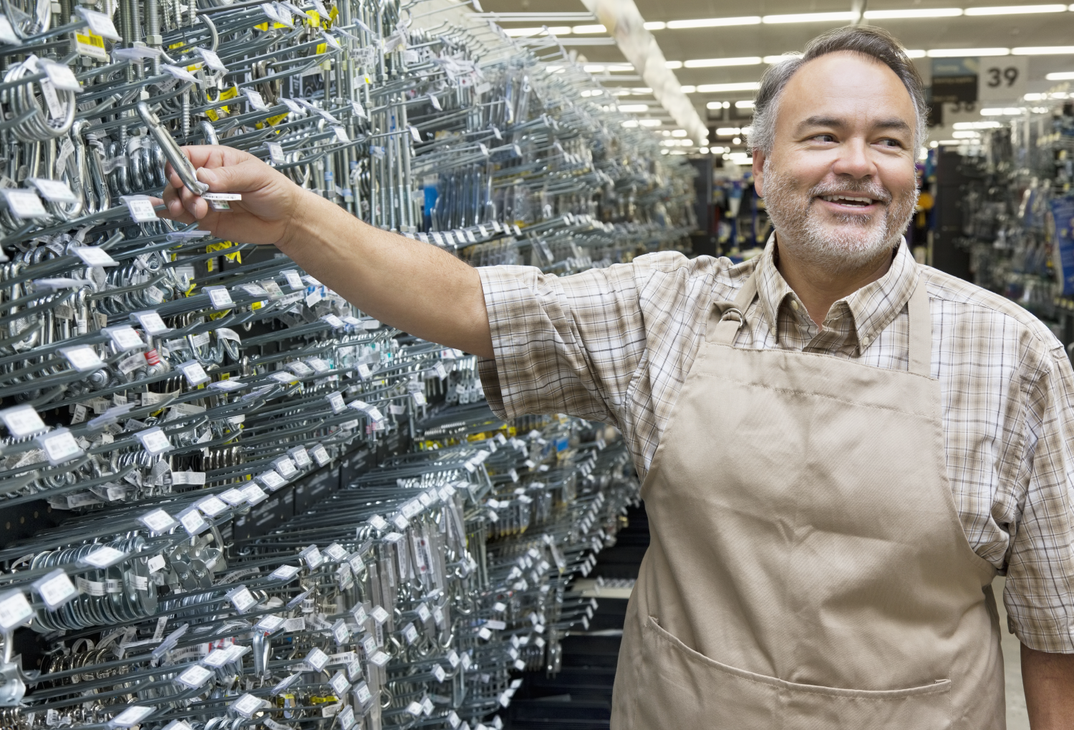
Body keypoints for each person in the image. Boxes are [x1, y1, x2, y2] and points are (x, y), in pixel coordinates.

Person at [160, 25, 1074, 730]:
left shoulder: (1014, 356)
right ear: (759, 170)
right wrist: (293, 222)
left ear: (917, 172)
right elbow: (469, 302)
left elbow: (1055, 632)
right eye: (822, 136)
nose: (856, 166)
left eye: (887, 141)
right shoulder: (665, 309)